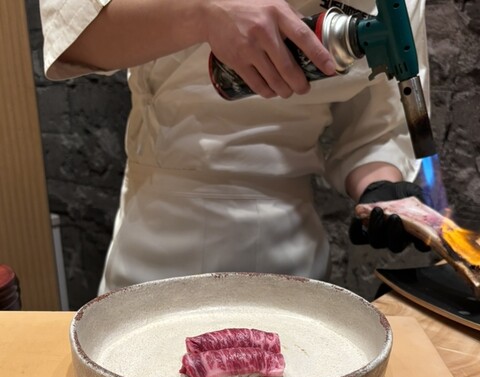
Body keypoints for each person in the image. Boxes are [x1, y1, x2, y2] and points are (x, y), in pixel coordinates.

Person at [39, 0, 430, 294]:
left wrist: (381, 188)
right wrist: (203, 13)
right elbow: (76, 36)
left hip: (291, 256)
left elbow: (374, 130)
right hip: (159, 241)